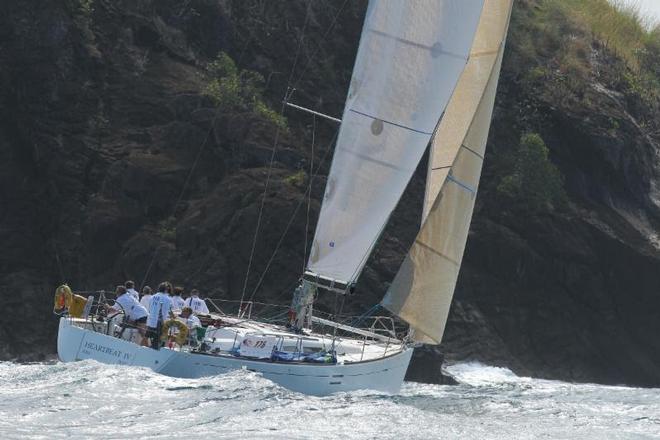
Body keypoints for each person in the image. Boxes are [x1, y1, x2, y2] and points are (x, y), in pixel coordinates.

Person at [146, 282, 174, 350]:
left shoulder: (152, 297)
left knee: (147, 338)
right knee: (158, 342)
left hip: (150, 322)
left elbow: (149, 308)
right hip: (160, 323)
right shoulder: (168, 299)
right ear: (167, 289)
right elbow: (170, 311)